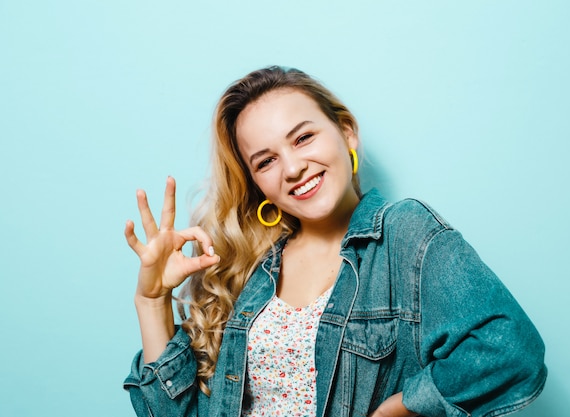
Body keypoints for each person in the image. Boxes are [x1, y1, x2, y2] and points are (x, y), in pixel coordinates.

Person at [123, 66, 547, 417]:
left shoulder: (403, 235)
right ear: (256, 183)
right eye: (266, 160)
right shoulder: (249, 267)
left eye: (303, 137)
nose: (291, 168)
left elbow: (511, 349)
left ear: (347, 133)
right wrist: (153, 300)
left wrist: (399, 408)